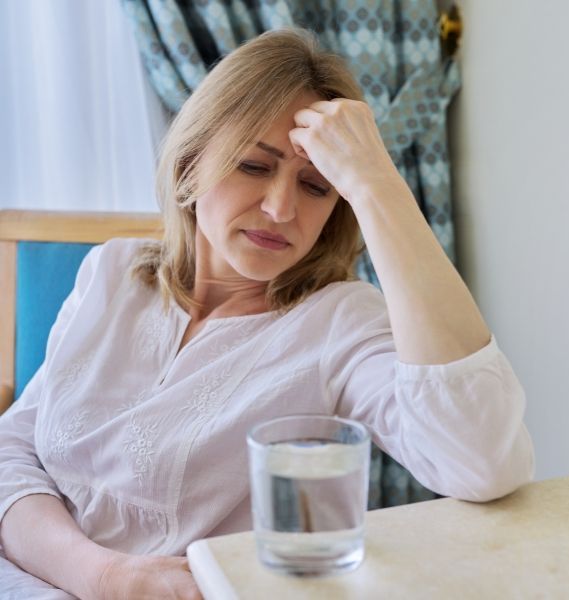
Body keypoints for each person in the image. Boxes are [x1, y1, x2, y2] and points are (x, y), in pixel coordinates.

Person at [0, 28, 534, 599]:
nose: (281, 209)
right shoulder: (112, 271)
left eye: (317, 185)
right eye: (254, 166)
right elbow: (13, 452)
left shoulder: (339, 324)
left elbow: (482, 460)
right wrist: (101, 575)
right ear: (189, 163)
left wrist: (377, 182)